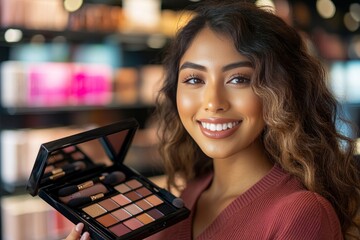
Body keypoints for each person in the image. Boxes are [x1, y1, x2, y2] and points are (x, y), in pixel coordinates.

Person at [65, 1, 360, 239]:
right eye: (194, 79)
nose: (213, 102)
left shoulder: (301, 215)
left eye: (238, 79)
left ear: (279, 91)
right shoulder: (191, 192)